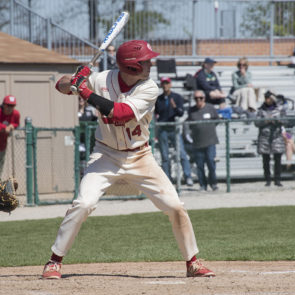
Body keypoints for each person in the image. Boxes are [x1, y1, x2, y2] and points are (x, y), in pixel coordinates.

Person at [42, 40, 215, 279]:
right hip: (105, 154)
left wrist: (83, 90)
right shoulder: (101, 79)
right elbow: (59, 86)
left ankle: (192, 262)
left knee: (175, 206)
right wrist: (74, 79)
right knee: (83, 203)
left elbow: (120, 114)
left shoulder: (150, 88)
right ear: (132, 66)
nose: (150, 64)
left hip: (140, 155)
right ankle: (54, 260)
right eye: (146, 61)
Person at [154, 77, 193, 186]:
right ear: (161, 85)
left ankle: (188, 176)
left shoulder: (177, 97)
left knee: (182, 154)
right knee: (165, 157)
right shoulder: (159, 99)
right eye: (163, 83)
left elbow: (180, 113)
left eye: (167, 83)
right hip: (163, 130)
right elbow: (156, 113)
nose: (165, 85)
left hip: (174, 129)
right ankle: (168, 179)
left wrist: (175, 107)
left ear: (170, 84)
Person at [187, 90, 219, 191]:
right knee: (200, 165)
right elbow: (188, 124)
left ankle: (213, 183)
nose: (198, 100)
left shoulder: (210, 108)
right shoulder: (191, 110)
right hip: (197, 142)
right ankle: (202, 185)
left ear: (204, 98)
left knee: (211, 162)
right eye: (196, 98)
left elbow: (217, 121)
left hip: (210, 141)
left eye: (200, 98)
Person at [254, 91, 287, 187]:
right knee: (265, 160)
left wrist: (277, 120)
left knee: (277, 159)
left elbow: (286, 121)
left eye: (269, 98)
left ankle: (277, 179)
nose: (268, 100)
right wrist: (266, 121)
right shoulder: (261, 109)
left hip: (277, 136)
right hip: (264, 137)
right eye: (266, 98)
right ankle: (267, 179)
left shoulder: (280, 109)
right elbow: (256, 123)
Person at [0, 95, 20, 177]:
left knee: (1, 163)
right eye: (8, 105)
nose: (10, 108)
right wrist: (5, 127)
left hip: (2, 144)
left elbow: (16, 123)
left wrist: (12, 126)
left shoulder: (16, 114)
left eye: (12, 106)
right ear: (3, 105)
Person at [78, 96, 98, 177]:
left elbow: (95, 121)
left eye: (82, 99)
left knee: (89, 158)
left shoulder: (89, 111)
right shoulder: (75, 113)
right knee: (80, 157)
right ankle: (80, 176)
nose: (81, 100)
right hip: (79, 140)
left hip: (89, 141)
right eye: (79, 99)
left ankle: (86, 174)